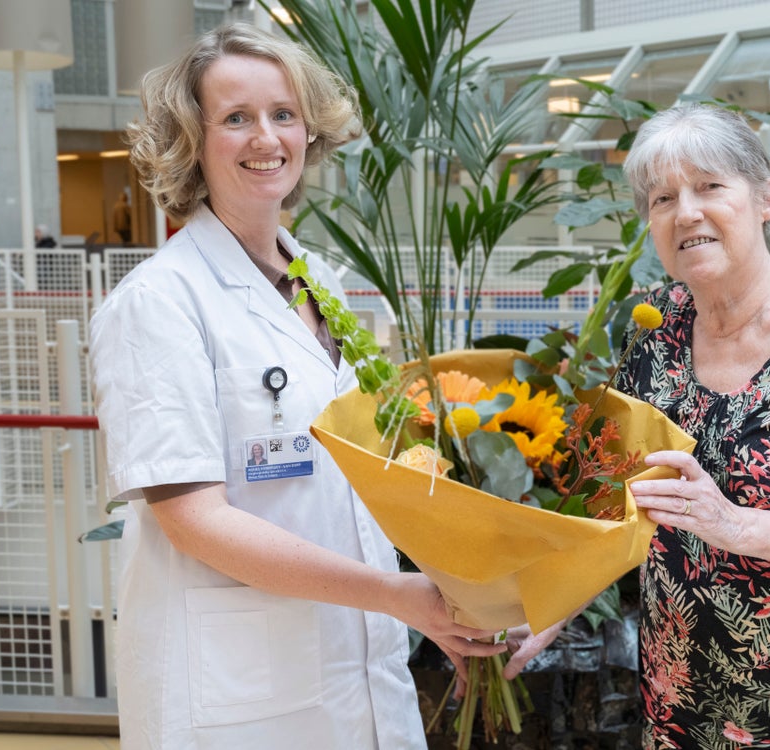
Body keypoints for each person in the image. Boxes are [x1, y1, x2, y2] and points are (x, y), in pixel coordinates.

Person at [89, 23, 503, 750]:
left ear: (309, 131)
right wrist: (398, 597)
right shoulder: (160, 302)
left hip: (358, 668)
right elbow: (194, 519)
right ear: (193, 139)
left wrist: (458, 590)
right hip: (237, 693)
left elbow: (360, 477)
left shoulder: (320, 282)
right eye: (236, 118)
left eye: (283, 114)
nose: (266, 138)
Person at [506, 103, 770, 748]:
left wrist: (733, 524)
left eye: (709, 187)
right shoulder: (652, 326)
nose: (686, 212)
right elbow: (612, 504)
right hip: (682, 703)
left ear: (763, 198)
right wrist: (543, 610)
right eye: (663, 198)